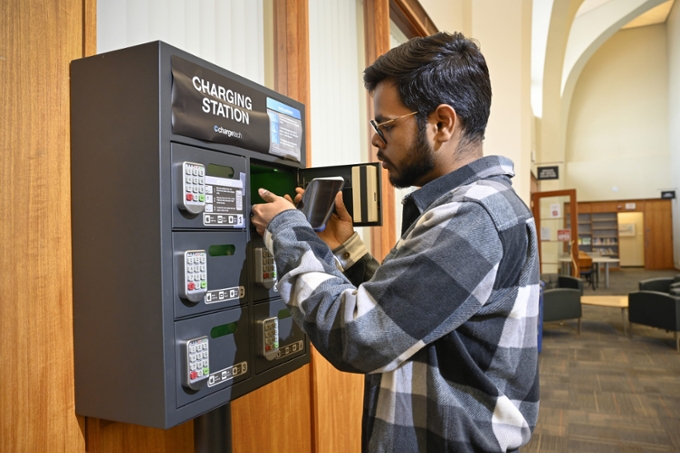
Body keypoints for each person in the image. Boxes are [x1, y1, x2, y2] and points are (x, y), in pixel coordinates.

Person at [251, 31, 540, 453]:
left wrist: (288, 230)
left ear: (442, 123)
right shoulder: (484, 204)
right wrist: (346, 248)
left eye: (384, 125)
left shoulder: (472, 215)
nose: (375, 141)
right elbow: (421, 313)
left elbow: (360, 336)